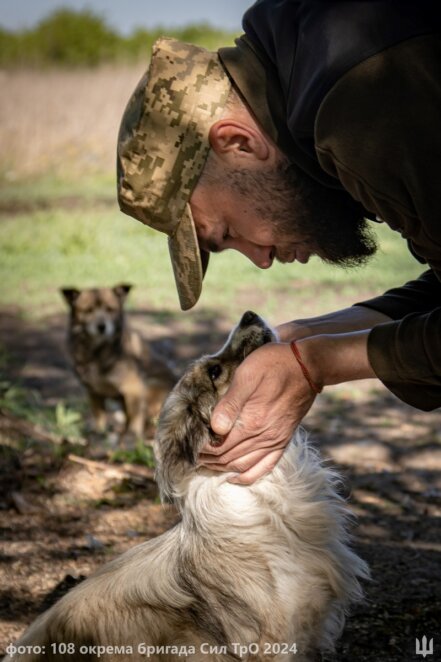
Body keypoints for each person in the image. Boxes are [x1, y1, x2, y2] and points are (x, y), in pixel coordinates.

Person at [117, 0, 441, 484]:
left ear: (238, 143)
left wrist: (316, 365)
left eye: (227, 233)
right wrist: (314, 335)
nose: (262, 260)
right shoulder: (315, 58)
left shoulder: (361, 99)